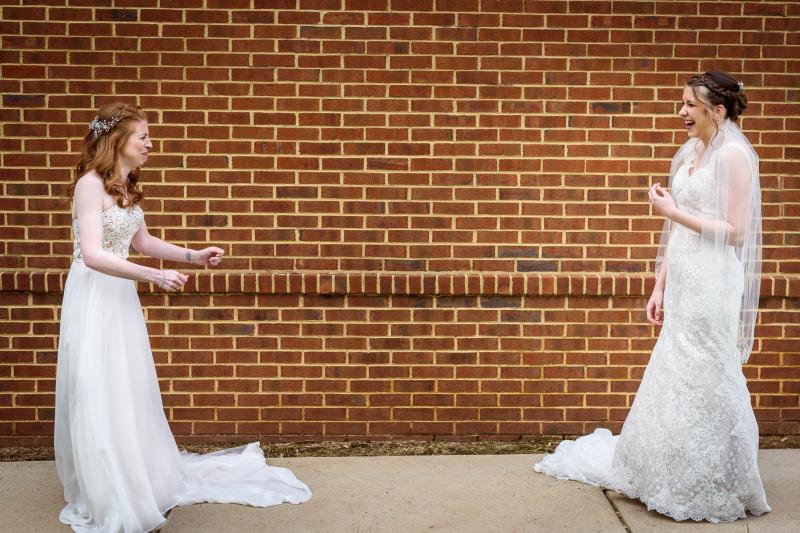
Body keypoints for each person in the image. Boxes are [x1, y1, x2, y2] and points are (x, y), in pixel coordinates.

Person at [55, 103, 311, 533]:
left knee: (126, 386)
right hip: (94, 296)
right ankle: (108, 490)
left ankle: (136, 476)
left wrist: (193, 255)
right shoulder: (89, 185)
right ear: (118, 140)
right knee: (95, 386)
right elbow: (94, 255)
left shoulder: (124, 187)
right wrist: (153, 276)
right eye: (143, 137)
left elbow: (142, 241)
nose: (150, 144)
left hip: (120, 297)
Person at [534, 72, 771, 522]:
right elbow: (677, 230)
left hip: (713, 280)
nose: (681, 112)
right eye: (682, 103)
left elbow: (737, 232)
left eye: (690, 105)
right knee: (676, 368)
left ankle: (718, 477)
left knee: (708, 370)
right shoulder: (692, 151)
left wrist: (672, 210)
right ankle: (666, 473)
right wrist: (660, 284)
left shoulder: (734, 156)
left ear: (718, 110)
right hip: (683, 277)